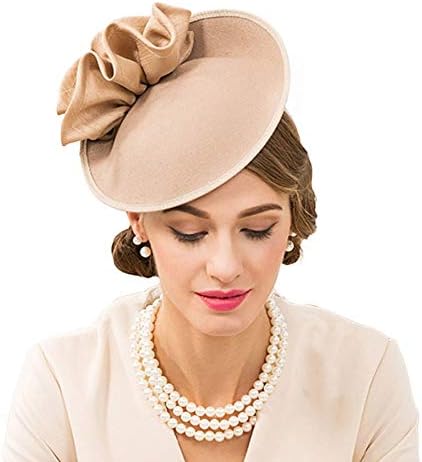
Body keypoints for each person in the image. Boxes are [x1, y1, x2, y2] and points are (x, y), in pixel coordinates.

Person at [2, 2, 419, 461]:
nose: (225, 267)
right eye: (189, 232)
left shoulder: (366, 374)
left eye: (257, 229)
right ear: (138, 220)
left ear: (291, 218)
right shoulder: (61, 385)